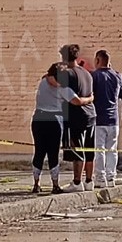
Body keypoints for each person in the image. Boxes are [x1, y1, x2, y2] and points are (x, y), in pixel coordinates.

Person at [30, 63, 72, 195]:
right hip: (54, 120)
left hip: (38, 118)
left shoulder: (43, 81)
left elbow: (48, 77)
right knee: (53, 153)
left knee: (39, 152)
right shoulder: (63, 88)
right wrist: (90, 98)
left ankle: (36, 184)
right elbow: (77, 101)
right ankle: (55, 184)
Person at [60, 44, 97, 192]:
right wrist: (90, 99)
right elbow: (92, 94)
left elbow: (73, 100)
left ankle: (77, 182)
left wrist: (83, 101)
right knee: (90, 149)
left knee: (77, 149)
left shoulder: (67, 74)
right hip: (91, 114)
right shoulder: (86, 73)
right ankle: (89, 180)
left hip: (76, 115)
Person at [91, 50, 122, 188]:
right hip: (114, 119)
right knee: (112, 150)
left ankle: (100, 177)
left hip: (99, 118)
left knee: (100, 149)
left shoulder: (95, 76)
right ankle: (111, 177)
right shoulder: (117, 76)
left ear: (98, 60)